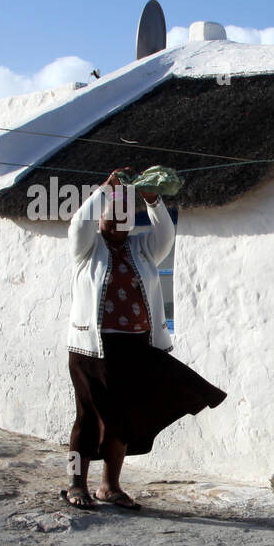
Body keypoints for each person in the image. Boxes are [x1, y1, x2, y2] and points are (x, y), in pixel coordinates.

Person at [63, 168, 226, 509]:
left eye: (125, 219)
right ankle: (76, 483)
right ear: (101, 217)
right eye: (112, 217)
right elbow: (79, 223)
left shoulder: (142, 249)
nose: (119, 224)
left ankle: (110, 487)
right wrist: (105, 190)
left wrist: (152, 200)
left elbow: (166, 232)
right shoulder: (87, 248)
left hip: (135, 347)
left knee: (122, 417)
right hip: (92, 351)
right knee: (88, 418)